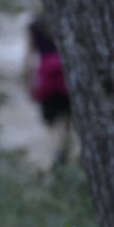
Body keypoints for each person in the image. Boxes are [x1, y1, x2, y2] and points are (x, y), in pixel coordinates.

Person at [25, 13, 71, 166]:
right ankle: (63, 150)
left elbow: (29, 56)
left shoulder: (35, 25)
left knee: (50, 121)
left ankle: (56, 152)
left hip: (47, 78)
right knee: (66, 118)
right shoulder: (65, 19)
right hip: (66, 75)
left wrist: (28, 81)